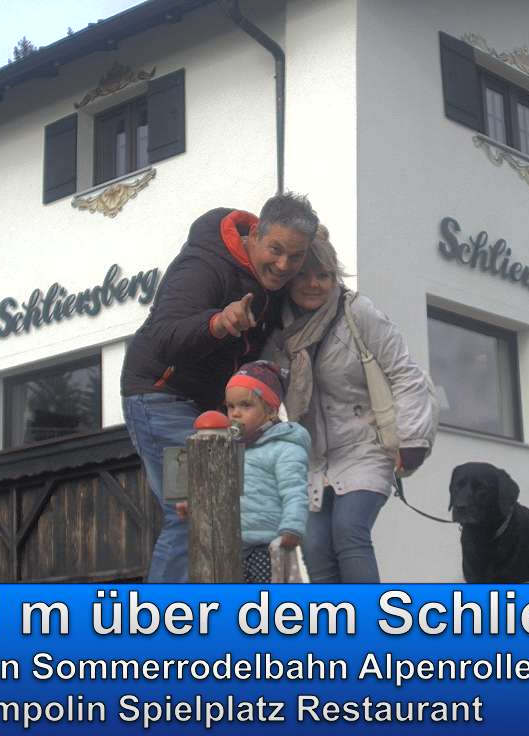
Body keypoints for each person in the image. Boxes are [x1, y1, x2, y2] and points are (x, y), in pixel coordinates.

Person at [120, 192, 318, 581]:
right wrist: (217, 323)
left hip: (214, 408)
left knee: (232, 510)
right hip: (161, 396)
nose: (283, 265)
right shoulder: (203, 266)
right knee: (191, 512)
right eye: (276, 250)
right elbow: (163, 336)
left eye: (295, 257)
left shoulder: (272, 281)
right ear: (255, 235)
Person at [268, 229, 437, 582]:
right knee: (315, 548)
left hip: (366, 446)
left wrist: (412, 440)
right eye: (304, 275)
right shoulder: (279, 326)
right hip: (314, 456)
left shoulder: (357, 312)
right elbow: (262, 382)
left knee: (349, 531)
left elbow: (405, 375)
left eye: (324, 275)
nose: (314, 284)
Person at [224, 361, 310, 582]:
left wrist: (292, 527)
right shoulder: (230, 449)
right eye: (230, 407)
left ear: (271, 411)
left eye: (245, 405)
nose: (235, 414)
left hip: (268, 546)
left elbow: (294, 491)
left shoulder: (284, 448)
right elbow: (218, 491)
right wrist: (194, 506)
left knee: (266, 598)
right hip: (233, 546)